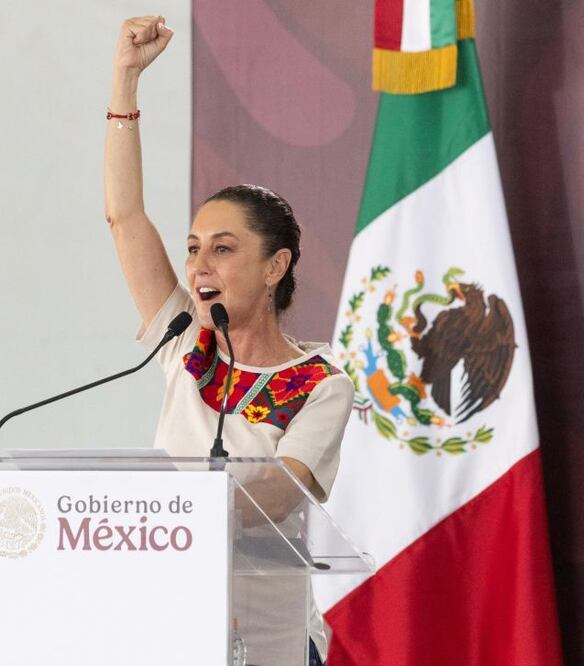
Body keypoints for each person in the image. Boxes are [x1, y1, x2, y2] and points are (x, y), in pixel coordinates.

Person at [104, 16, 354, 665]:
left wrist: (170, 512)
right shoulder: (185, 343)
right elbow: (125, 217)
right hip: (172, 629)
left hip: (268, 642)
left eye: (223, 249)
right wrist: (125, 80)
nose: (199, 267)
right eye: (192, 251)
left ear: (276, 266)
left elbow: (280, 491)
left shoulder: (321, 383)